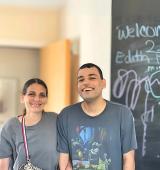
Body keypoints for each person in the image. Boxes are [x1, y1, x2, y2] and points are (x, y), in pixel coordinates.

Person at [57, 63, 137, 170]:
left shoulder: (123, 114)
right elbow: (64, 161)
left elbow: (128, 159)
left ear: (103, 83)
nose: (86, 82)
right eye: (81, 80)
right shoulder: (65, 116)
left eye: (92, 78)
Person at [0, 78, 58, 170]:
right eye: (32, 94)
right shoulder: (10, 126)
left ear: (46, 99)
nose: (37, 99)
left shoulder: (56, 120)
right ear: (22, 98)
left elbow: (66, 154)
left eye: (42, 95)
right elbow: (3, 165)